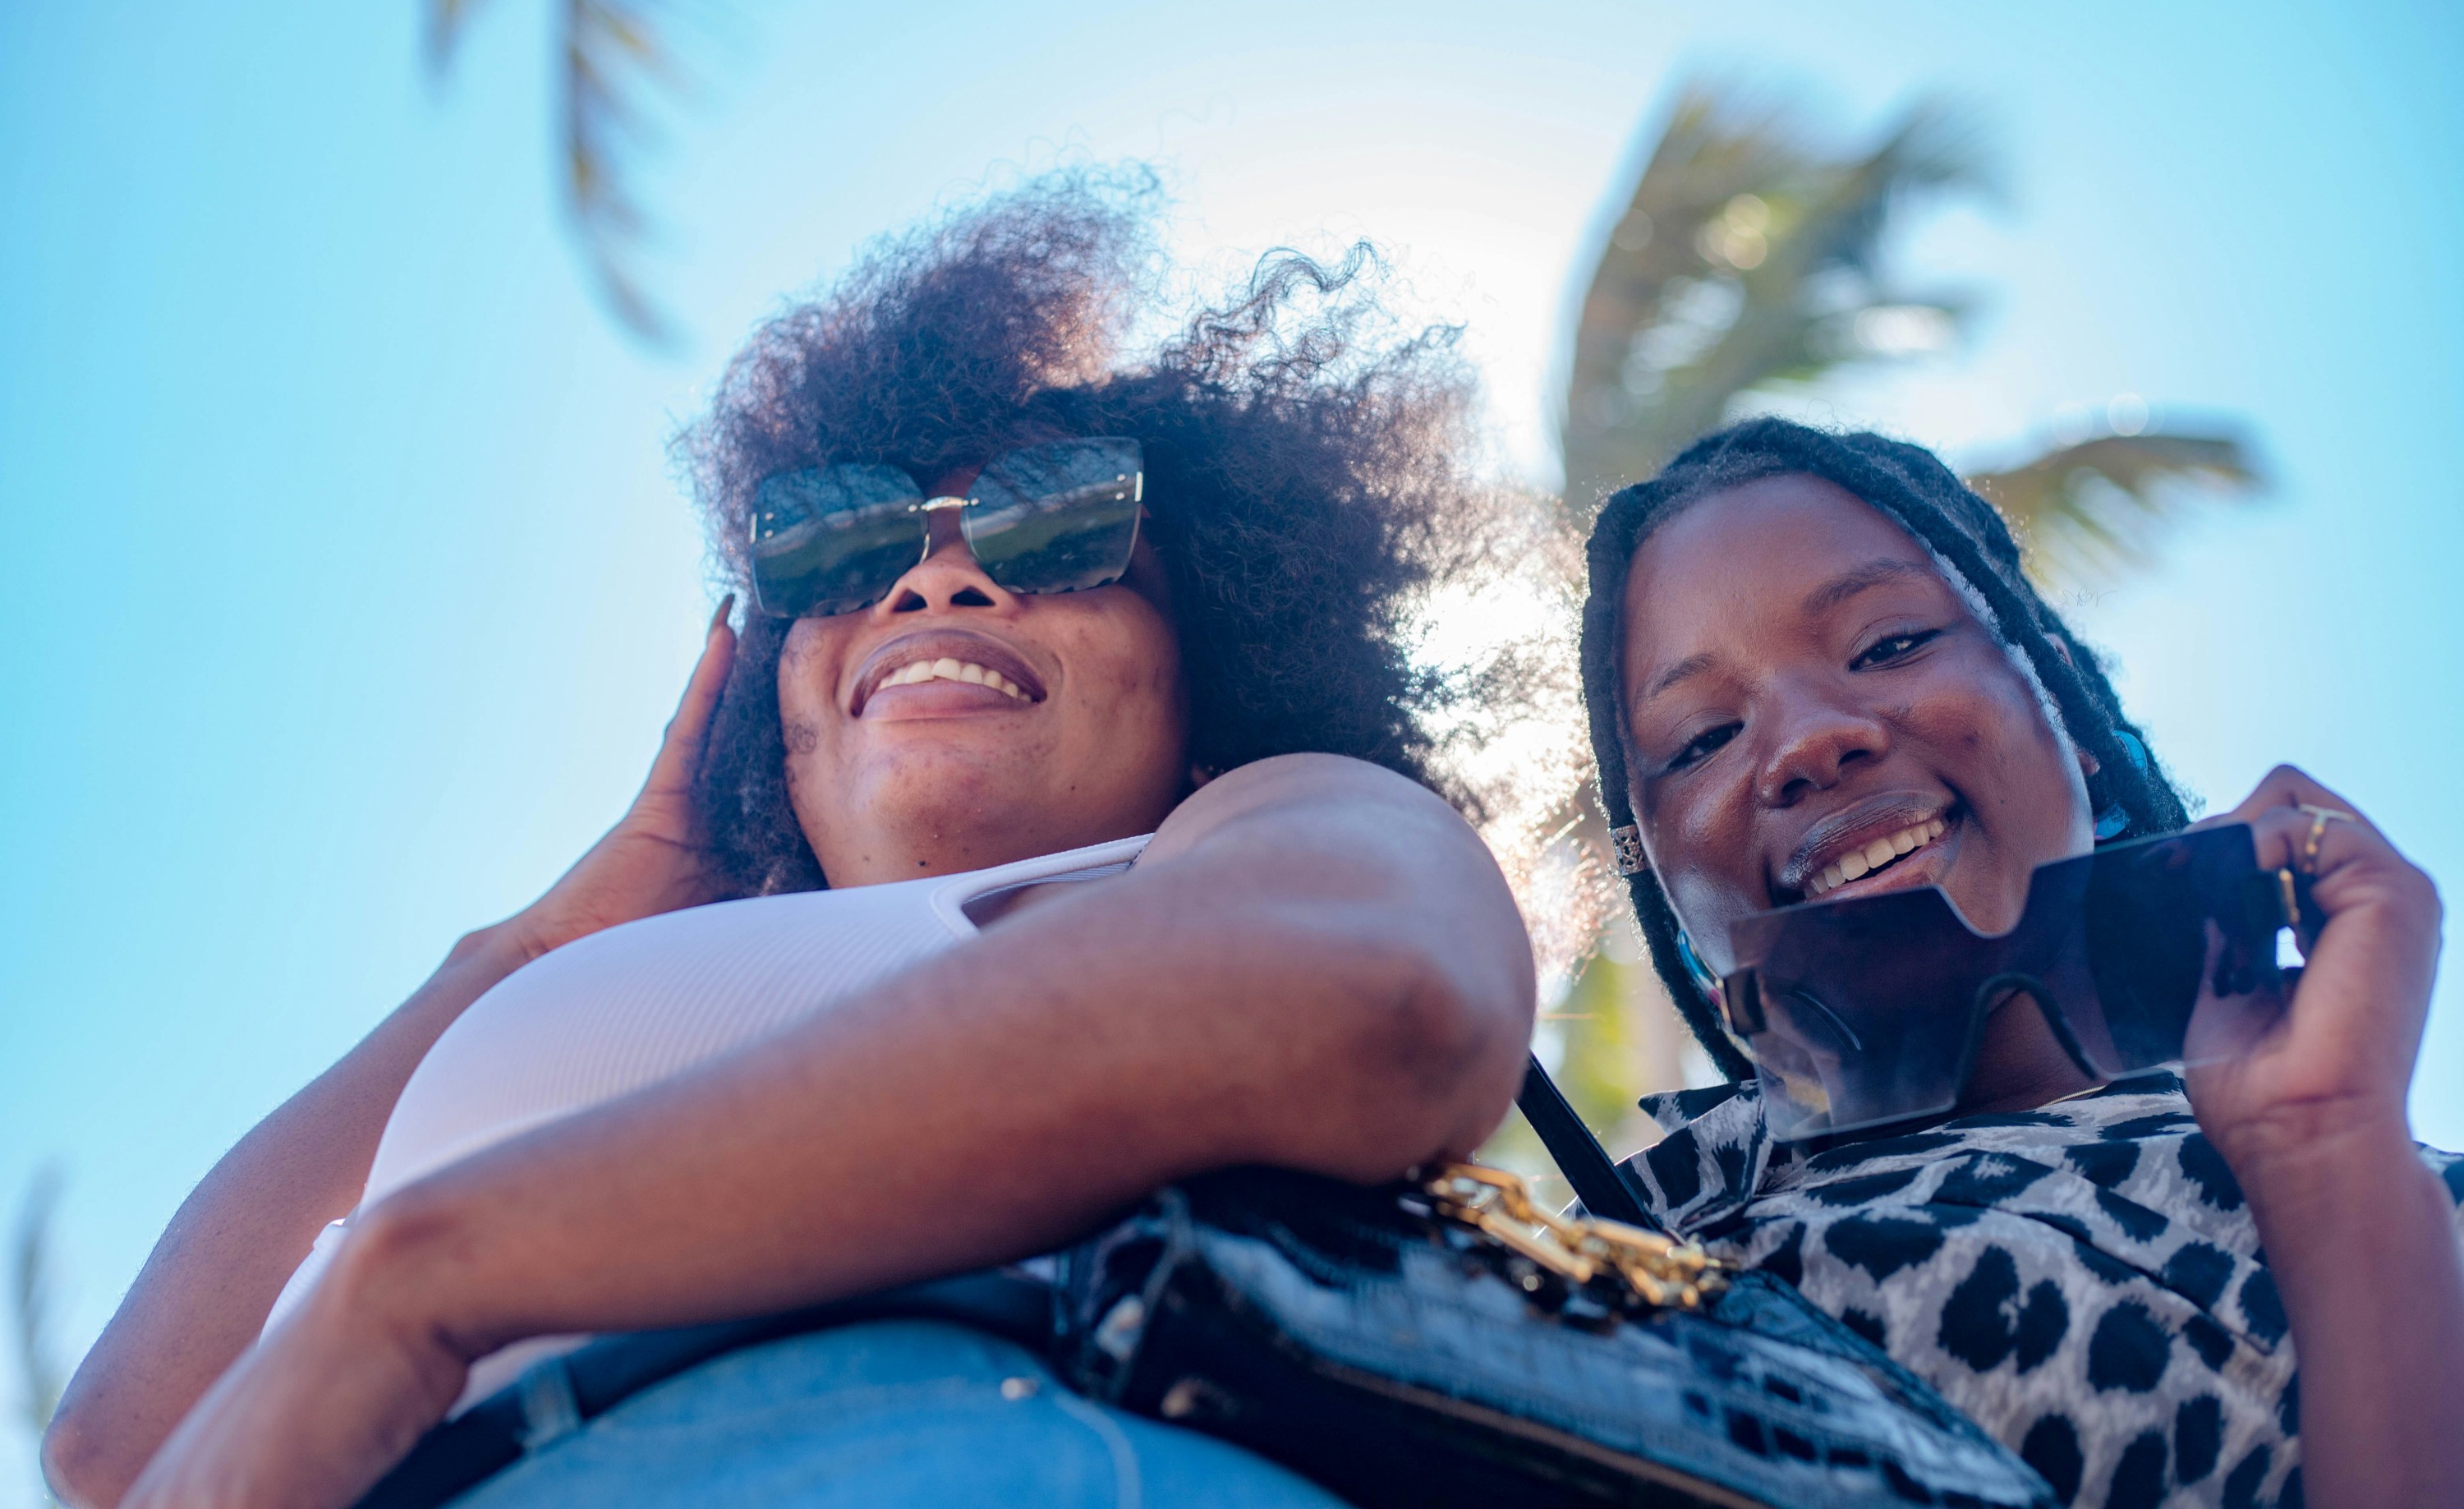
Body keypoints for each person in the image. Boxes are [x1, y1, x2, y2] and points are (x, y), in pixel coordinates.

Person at [44, 177, 1542, 1509]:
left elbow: (1381, 990)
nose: (933, 583)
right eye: (850, 549)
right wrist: (533, 947)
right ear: (779, 713)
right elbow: (122, 1453)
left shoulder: (1247, 827)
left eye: (1059, 528)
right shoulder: (629, 967)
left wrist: (428, 1278)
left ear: (1213, 683)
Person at [1582, 416, 2462, 1509]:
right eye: (1702, 740)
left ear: (2063, 703)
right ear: (1670, 907)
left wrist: (2327, 1159)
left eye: (1889, 644)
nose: (1808, 739)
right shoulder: (1591, 1262)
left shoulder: (2423, 1204)